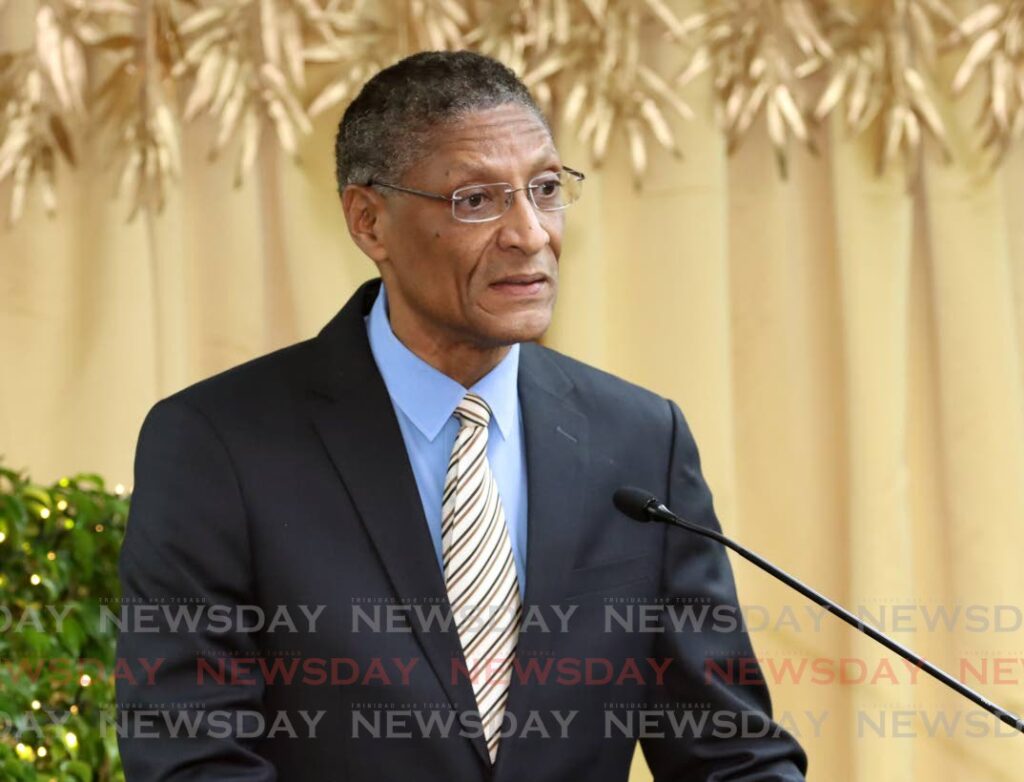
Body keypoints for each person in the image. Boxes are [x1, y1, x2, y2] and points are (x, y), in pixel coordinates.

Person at [115, 50, 807, 781]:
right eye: (477, 200)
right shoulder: (218, 445)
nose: (531, 233)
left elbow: (728, 753)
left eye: (545, 188)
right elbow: (191, 757)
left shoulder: (640, 441)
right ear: (368, 220)